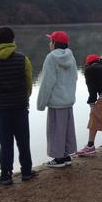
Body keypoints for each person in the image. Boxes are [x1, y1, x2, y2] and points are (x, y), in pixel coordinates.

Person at [0, 26, 34, 185]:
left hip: (1, 109)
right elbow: (29, 81)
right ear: (13, 40)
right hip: (20, 106)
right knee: (23, 140)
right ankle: (26, 172)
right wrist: (25, 96)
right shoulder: (23, 59)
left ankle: (6, 175)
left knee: (5, 142)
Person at [36, 31, 78, 167]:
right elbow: (75, 78)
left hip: (56, 101)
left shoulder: (51, 58)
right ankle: (66, 156)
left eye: (50, 41)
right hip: (68, 100)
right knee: (66, 128)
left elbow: (47, 82)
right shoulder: (71, 56)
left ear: (55, 43)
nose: (49, 44)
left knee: (55, 130)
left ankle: (58, 159)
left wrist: (41, 103)